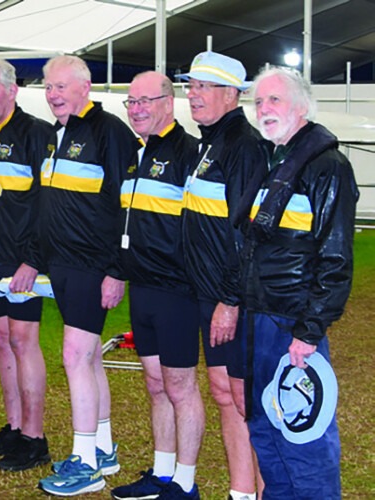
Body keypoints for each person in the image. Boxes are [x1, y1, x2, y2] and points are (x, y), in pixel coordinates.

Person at [238, 66, 355, 499]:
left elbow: (336, 255)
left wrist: (308, 331)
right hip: (260, 318)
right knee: (265, 428)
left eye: (274, 100)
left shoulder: (326, 166)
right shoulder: (276, 163)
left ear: (301, 107)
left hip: (292, 324)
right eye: (259, 102)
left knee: (303, 433)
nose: (264, 110)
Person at [35, 55, 138, 497]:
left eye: (61, 86)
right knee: (91, 356)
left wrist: (117, 270)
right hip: (62, 264)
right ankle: (102, 447)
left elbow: (127, 204)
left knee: (75, 356)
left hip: (91, 263)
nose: (53, 95)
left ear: (85, 87)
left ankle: (85, 464)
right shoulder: (55, 135)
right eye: (48, 87)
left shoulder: (108, 131)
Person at [110, 71, 205, 500]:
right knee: (155, 383)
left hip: (177, 289)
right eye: (131, 102)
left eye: (145, 101)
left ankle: (186, 482)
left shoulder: (189, 153)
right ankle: (162, 472)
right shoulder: (137, 153)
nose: (137, 109)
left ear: (169, 102)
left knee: (180, 385)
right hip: (143, 286)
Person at [177, 51, 264, 500]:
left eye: (203, 87)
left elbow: (248, 233)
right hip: (208, 292)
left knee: (242, 397)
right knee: (225, 392)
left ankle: (259, 491)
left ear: (231, 95)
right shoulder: (207, 143)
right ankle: (242, 491)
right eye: (190, 87)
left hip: (232, 297)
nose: (192, 96)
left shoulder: (243, 147)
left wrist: (230, 301)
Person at [0, 58, 53, 471]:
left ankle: (35, 439)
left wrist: (33, 261)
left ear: (12, 89)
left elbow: (49, 204)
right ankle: (15, 427)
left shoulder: (38, 133)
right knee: (1, 338)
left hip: (26, 261)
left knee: (23, 339)